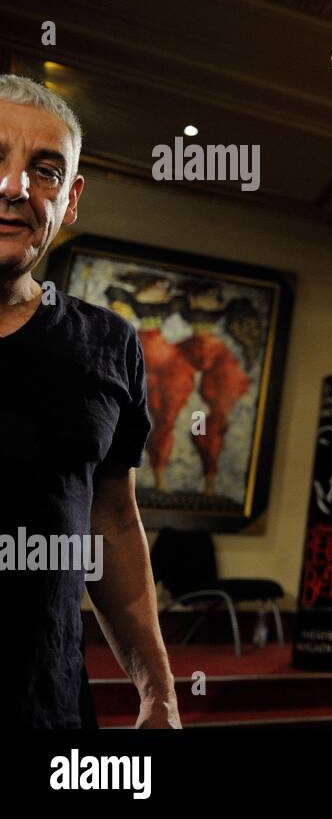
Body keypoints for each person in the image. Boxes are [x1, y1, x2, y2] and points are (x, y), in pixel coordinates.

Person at [0, 75, 178, 728]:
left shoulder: (109, 344)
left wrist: (158, 689)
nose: (16, 188)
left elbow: (113, 522)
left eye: (44, 171)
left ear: (70, 198)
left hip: (46, 707)